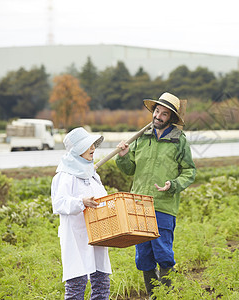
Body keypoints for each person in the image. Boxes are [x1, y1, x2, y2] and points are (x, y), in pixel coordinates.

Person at [116, 92, 196, 297]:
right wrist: (123, 157)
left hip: (163, 205)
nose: (158, 116)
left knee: (163, 253)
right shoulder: (141, 137)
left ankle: (165, 295)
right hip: (139, 204)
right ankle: (153, 295)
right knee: (143, 255)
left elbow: (189, 171)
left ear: (171, 118)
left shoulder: (179, 141)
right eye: (157, 111)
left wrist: (174, 184)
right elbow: (129, 169)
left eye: (164, 114)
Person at [51, 127, 112, 300]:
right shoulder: (64, 176)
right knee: (76, 284)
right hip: (76, 236)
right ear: (77, 150)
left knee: (101, 282)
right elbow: (59, 203)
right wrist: (81, 202)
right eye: (88, 145)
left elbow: (103, 198)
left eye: (93, 144)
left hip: (97, 233)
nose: (93, 148)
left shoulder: (92, 174)